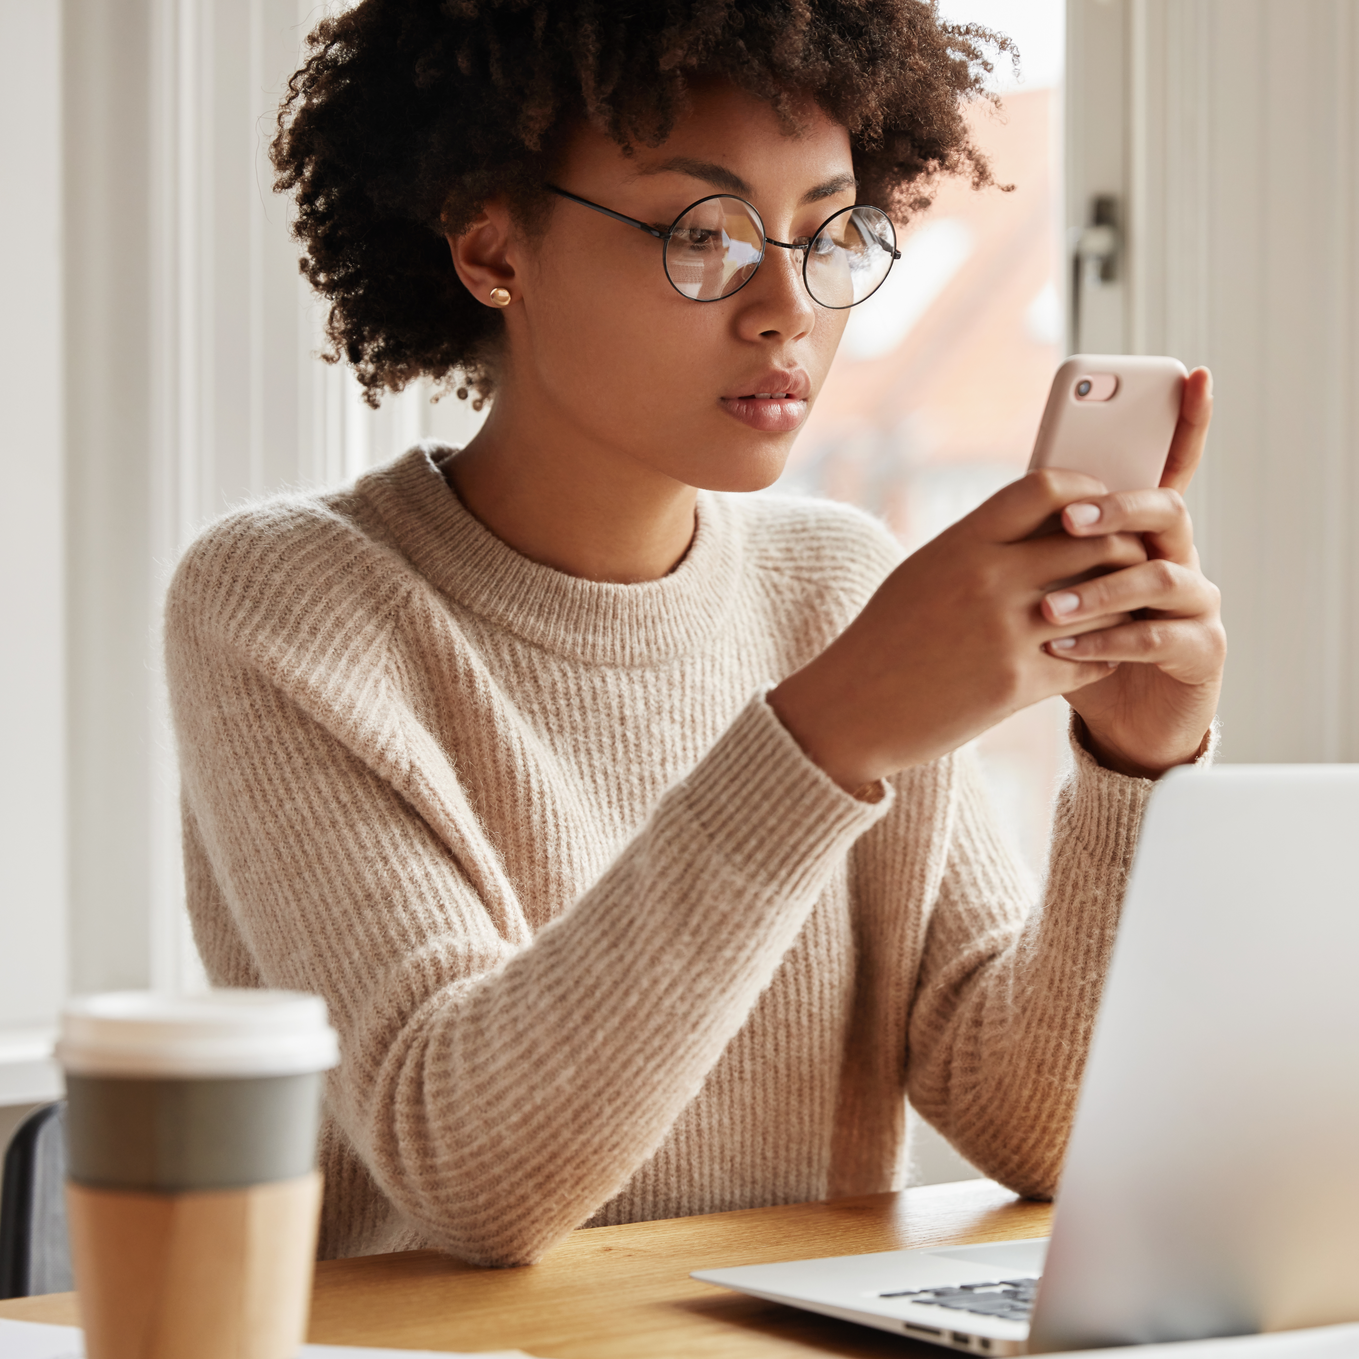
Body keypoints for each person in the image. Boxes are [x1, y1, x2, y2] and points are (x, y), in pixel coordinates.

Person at [165, 0, 1224, 1267]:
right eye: (702, 233)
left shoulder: (832, 583)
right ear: (493, 245)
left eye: (827, 232)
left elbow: (1040, 1130)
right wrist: (832, 732)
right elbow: (470, 1172)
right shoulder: (287, 599)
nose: (788, 307)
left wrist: (1134, 773)